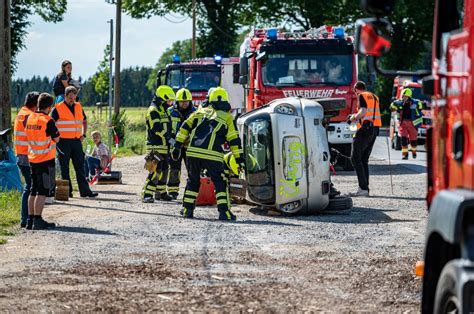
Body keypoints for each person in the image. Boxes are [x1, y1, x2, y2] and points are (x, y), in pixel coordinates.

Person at [171, 87, 244, 220]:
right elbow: (234, 140)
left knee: (193, 181)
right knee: (220, 183)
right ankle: (224, 213)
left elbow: (185, 127)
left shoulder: (200, 112)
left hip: (193, 153)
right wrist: (239, 159)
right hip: (213, 155)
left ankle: (187, 209)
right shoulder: (227, 117)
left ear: (209, 100)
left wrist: (177, 146)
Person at [51, 86, 98, 198]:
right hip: (62, 142)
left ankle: (85, 192)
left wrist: (84, 135)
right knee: (64, 168)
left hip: (76, 141)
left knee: (80, 167)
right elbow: (50, 124)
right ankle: (67, 192)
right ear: (65, 96)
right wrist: (56, 138)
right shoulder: (57, 108)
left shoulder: (78, 106)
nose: (72, 99)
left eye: (74, 97)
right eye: (70, 97)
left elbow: (84, 121)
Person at [25, 93, 60, 230]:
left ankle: (30, 219)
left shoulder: (30, 117)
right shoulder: (48, 120)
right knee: (42, 191)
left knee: (33, 190)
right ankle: (38, 220)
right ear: (50, 107)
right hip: (45, 160)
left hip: (33, 158)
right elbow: (56, 139)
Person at [142, 85, 175, 203]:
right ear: (162, 99)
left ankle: (161, 193)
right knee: (155, 171)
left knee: (165, 170)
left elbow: (169, 126)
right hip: (154, 147)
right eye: (168, 101)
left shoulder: (164, 110)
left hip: (164, 147)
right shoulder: (153, 110)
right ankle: (147, 193)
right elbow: (156, 128)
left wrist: (173, 136)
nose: (170, 103)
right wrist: (169, 137)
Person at [348, 81, 381, 197]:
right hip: (375, 129)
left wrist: (353, 117)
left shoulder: (362, 96)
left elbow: (363, 112)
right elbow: (370, 113)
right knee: (363, 159)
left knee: (355, 158)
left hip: (365, 129)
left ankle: (362, 189)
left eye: (355, 91)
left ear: (357, 89)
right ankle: (364, 189)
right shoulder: (374, 97)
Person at [14, 92, 39, 227]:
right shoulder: (29, 116)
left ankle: (27, 218)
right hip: (27, 156)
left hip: (21, 155)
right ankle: (26, 218)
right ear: (36, 103)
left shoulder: (22, 112)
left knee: (29, 187)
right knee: (30, 187)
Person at [167, 88, 196, 199]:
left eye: (186, 101)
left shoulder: (196, 112)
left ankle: (193, 191)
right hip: (175, 145)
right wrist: (174, 143)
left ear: (190, 101)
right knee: (174, 168)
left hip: (189, 146)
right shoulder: (170, 112)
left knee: (192, 169)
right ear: (177, 101)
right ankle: (173, 191)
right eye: (182, 101)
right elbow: (168, 132)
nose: (184, 104)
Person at [390, 88, 423, 159]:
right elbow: (391, 107)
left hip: (413, 123)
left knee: (413, 140)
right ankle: (405, 155)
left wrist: (417, 106)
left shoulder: (416, 102)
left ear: (409, 96)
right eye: (403, 96)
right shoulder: (399, 103)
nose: (403, 98)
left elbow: (420, 108)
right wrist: (393, 103)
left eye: (405, 97)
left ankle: (414, 152)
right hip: (403, 123)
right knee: (403, 139)